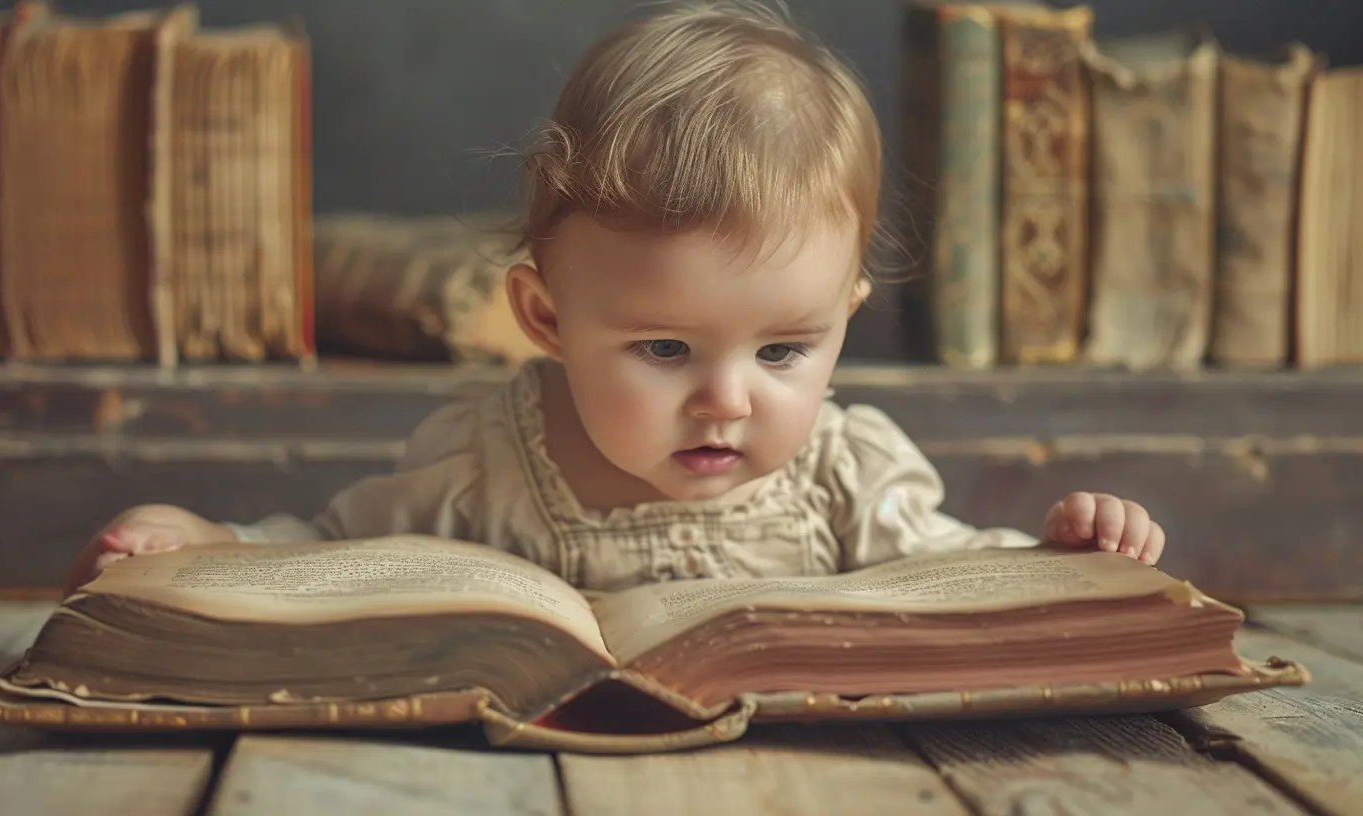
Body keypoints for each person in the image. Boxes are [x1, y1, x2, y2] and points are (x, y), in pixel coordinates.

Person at [62, 0, 1165, 596]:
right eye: (664, 350)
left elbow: (954, 573)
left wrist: (1061, 559)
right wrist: (212, 539)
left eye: (785, 351)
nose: (726, 402)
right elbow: (335, 551)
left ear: (845, 312)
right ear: (546, 319)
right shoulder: (482, 464)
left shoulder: (847, 474)